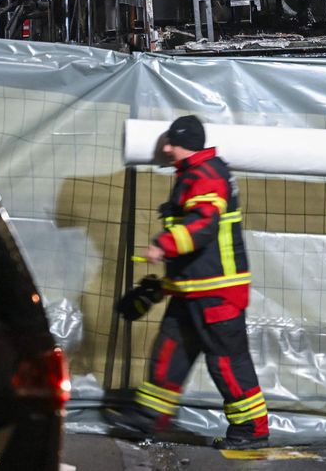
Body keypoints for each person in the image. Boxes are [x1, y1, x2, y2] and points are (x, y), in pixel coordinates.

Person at [107, 115, 268, 450]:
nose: (165, 149)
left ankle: (252, 429)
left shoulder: (207, 174)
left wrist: (162, 246)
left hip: (217, 293)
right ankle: (149, 418)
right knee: (169, 352)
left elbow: (203, 226)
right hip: (193, 290)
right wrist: (165, 285)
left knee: (226, 362)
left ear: (186, 143)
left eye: (171, 143)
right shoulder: (195, 174)